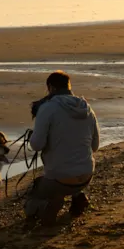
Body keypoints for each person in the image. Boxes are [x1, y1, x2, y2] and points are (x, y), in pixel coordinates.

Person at [25, 71, 99, 225]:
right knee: (72, 162)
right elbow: (95, 146)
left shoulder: (47, 108)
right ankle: (77, 196)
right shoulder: (87, 108)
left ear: (50, 88)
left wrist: (34, 135)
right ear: (69, 86)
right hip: (86, 176)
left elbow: (36, 145)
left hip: (59, 179)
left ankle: (46, 207)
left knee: (34, 192)